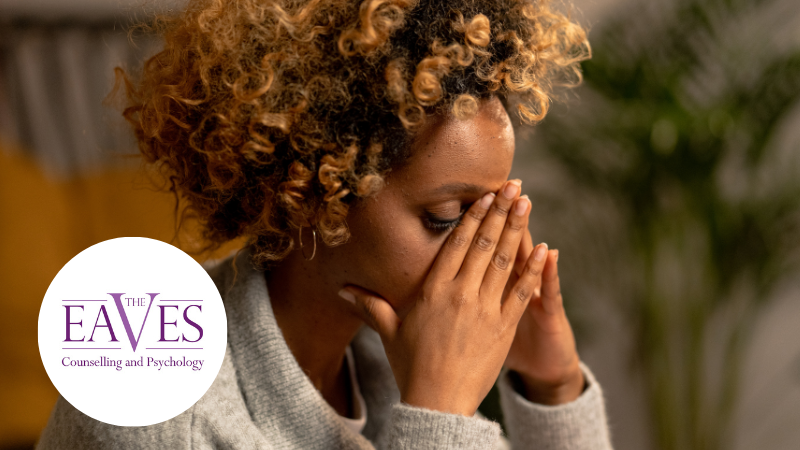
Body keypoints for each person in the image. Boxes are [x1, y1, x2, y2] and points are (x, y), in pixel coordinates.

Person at [38, 0, 612, 448]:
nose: (487, 253)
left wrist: (552, 386)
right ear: (319, 189)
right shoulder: (149, 399)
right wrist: (438, 416)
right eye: (445, 218)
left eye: (492, 212)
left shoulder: (387, 358)